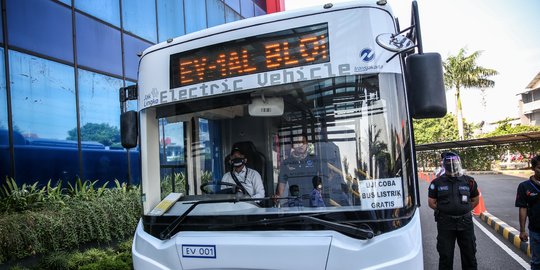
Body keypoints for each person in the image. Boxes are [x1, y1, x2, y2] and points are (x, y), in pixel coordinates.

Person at [428, 151, 479, 270]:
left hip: (465, 223)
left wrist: (464, 210)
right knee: (445, 256)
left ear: (458, 163)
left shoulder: (469, 181)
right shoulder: (437, 183)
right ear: (444, 165)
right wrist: (446, 211)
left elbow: (475, 200)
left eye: (454, 163)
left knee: (469, 255)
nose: (452, 165)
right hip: (445, 224)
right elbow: (431, 202)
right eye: (449, 163)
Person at [515, 154, 540, 270]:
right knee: (537, 262)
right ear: (533, 168)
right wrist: (522, 230)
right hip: (536, 230)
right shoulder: (524, 186)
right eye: (539, 167)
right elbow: (523, 208)